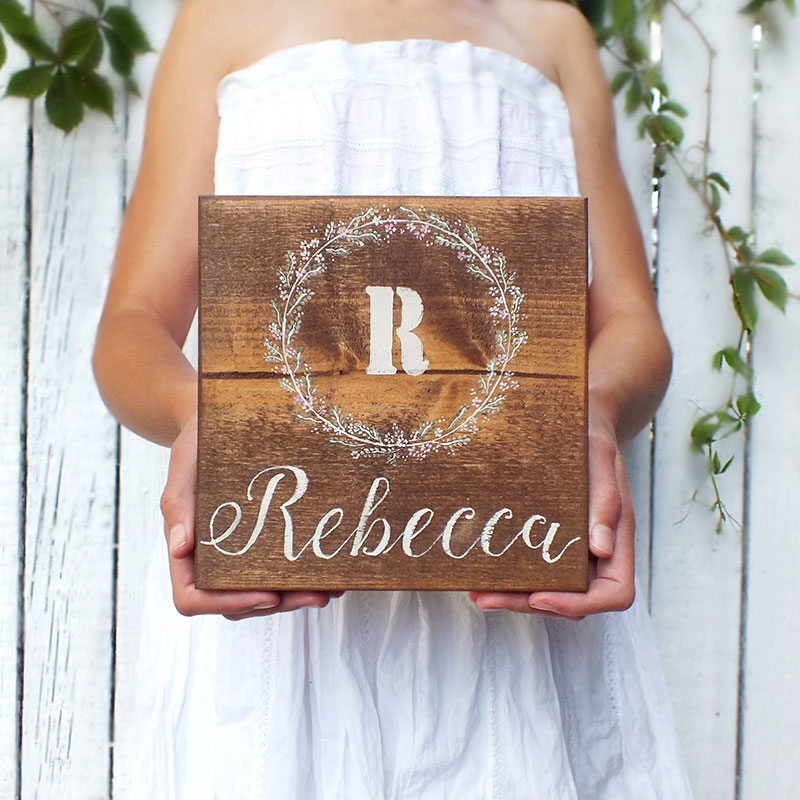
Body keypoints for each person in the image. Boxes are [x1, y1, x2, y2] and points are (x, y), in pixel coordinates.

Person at [93, 0, 693, 796]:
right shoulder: (222, 20)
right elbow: (131, 328)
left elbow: (633, 327)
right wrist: (204, 419)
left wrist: (592, 412)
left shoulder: (552, 34)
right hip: (280, 641)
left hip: (522, 635)